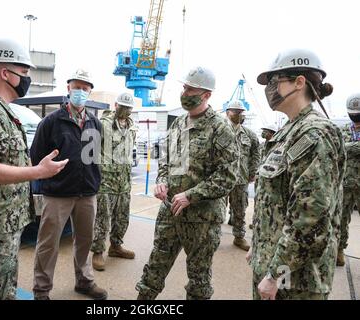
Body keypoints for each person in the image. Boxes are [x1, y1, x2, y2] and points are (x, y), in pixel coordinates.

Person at [0, 38, 68, 300]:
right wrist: (38, 172)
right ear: (5, 73)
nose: (28, 79)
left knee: (3, 293)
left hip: (2, 230)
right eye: (25, 73)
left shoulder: (3, 111)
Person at [248, 49, 345, 300]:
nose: (269, 89)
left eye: (274, 82)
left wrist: (274, 273)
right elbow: (276, 201)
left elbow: (310, 219)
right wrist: (259, 246)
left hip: (294, 282)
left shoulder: (314, 134)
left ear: (299, 82)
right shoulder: (289, 132)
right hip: (277, 268)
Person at [136, 66, 239, 300]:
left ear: (206, 95)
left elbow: (227, 176)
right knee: (154, 268)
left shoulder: (220, 128)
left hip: (201, 219)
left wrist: (191, 195)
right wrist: (161, 181)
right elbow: (167, 160)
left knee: (199, 279)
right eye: (184, 88)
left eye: (190, 89)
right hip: (170, 212)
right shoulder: (178, 124)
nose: (184, 93)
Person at [30, 69, 107, 300]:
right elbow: (36, 156)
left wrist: (94, 182)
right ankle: (41, 290)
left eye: (85, 88)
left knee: (84, 241)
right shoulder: (51, 122)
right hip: (58, 194)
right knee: (48, 244)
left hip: (87, 193)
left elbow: (94, 157)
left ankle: (84, 281)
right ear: (68, 88)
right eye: (77, 87)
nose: (81, 92)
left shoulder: (94, 123)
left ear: (90, 91)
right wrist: (52, 179)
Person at [91, 92, 137, 271]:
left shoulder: (131, 127)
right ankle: (97, 251)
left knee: (122, 217)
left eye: (128, 108)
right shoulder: (104, 124)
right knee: (103, 218)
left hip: (124, 182)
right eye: (122, 107)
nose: (125, 110)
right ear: (116, 105)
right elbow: (91, 153)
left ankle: (116, 246)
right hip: (106, 181)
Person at [225, 100, 260, 251]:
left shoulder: (250, 135)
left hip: (240, 178)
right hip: (220, 179)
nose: (239, 114)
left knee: (240, 209)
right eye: (235, 111)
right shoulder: (219, 130)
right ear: (227, 113)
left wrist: (253, 172)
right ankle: (210, 237)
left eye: (241, 112)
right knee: (216, 209)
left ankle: (239, 237)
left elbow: (256, 154)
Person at [337, 93, 360, 266]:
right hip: (345, 183)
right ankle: (339, 250)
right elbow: (340, 150)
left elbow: (346, 148)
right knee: (341, 219)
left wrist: (348, 147)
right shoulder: (342, 130)